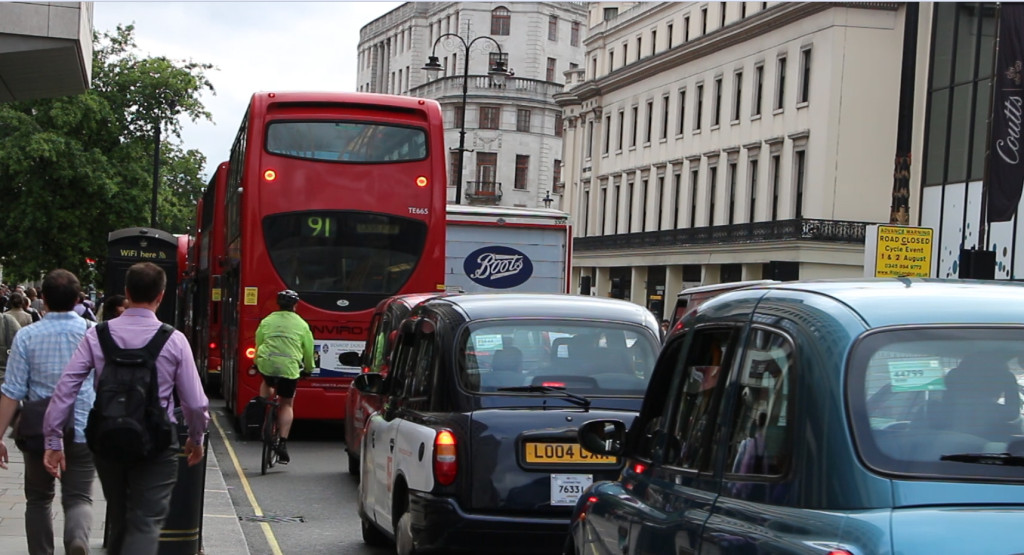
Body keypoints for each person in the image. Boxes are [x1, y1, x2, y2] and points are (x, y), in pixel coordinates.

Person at [42, 262, 210, 555]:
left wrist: (54, 440)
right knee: (145, 521)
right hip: (158, 444)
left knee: (120, 517)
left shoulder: (98, 335)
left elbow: (66, 387)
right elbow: (195, 403)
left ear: (127, 292)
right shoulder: (174, 340)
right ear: (161, 295)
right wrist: (196, 438)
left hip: (107, 439)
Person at [0, 269, 95, 555]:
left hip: (39, 429)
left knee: (39, 500)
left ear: (43, 299)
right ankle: (77, 538)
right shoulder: (92, 333)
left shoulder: (28, 336)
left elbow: (12, 391)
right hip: (82, 426)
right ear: (78, 298)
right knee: (79, 497)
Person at [254, 289, 315, 464]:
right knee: (286, 403)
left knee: (266, 379)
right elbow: (308, 351)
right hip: (289, 368)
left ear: (278, 304)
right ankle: (282, 442)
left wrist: (257, 361)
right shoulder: (302, 324)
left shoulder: (267, 320)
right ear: (295, 306)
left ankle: (263, 404)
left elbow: (258, 343)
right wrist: (309, 369)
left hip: (268, 363)